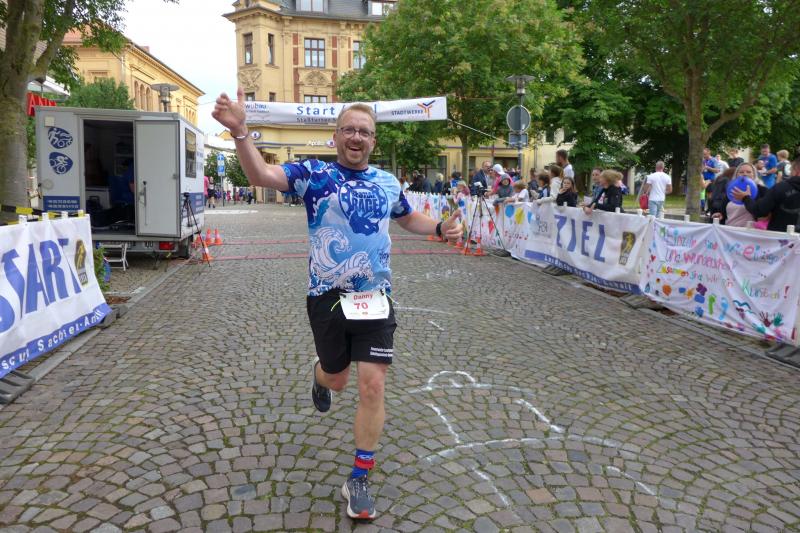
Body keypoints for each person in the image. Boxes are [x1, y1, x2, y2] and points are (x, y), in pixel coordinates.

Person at [212, 90, 464, 521]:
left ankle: (360, 476)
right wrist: (239, 132)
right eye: (349, 129)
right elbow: (261, 175)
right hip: (327, 297)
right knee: (338, 378)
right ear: (336, 136)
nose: (356, 137)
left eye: (364, 131)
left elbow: (406, 217)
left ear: (373, 141)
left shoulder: (386, 182)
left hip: (375, 296)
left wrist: (439, 227)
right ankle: (320, 376)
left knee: (373, 384)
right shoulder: (314, 173)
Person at [733, 156, 800, 232]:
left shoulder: (779, 188)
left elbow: (759, 211)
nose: (790, 173)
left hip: (780, 236)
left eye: (791, 170)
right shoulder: (731, 189)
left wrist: (745, 198)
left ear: (797, 170)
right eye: (741, 172)